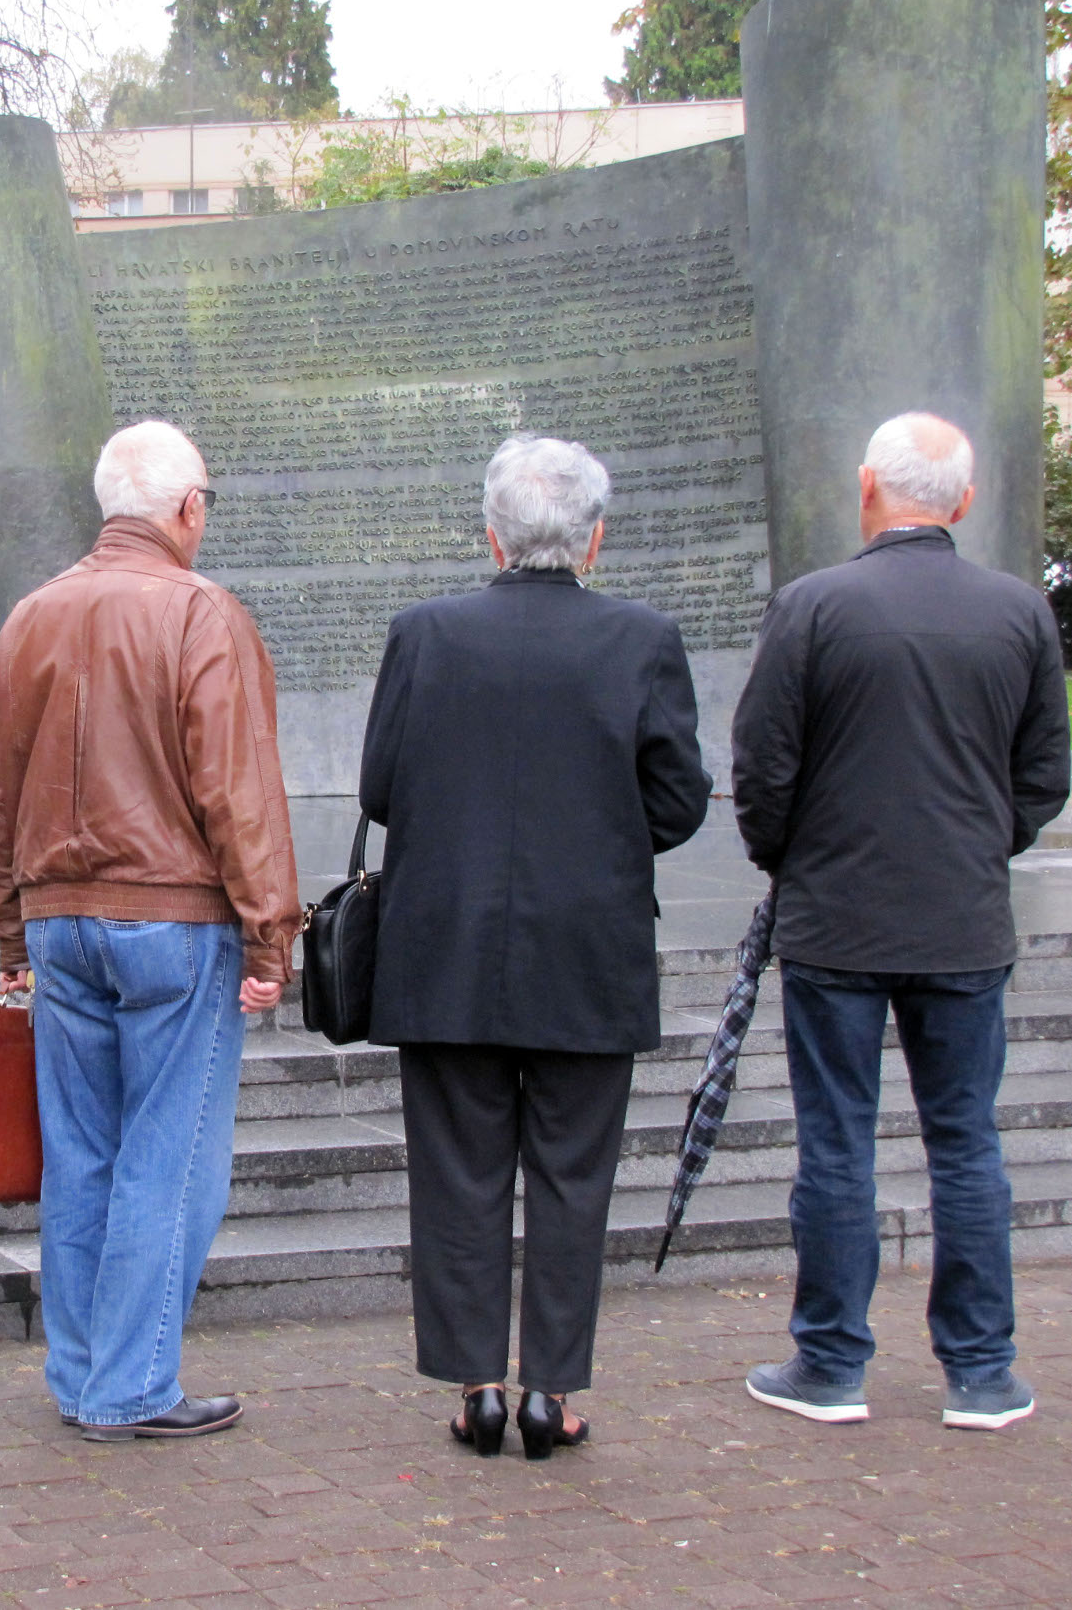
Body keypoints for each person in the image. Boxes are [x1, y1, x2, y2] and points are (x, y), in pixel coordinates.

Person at [359, 435, 710, 1461]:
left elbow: (381, 788)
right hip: (586, 946)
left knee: (458, 1171)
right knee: (571, 1172)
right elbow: (678, 799)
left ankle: (475, 1385)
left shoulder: (423, 634)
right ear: (592, 540)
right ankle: (550, 1391)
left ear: (490, 533)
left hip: (445, 945)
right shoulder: (641, 639)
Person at [732, 411, 1070, 1433]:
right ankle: (980, 1369)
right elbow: (1041, 776)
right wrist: (974, 845)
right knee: (965, 1141)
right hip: (962, 922)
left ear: (865, 485)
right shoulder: (1017, 612)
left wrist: (790, 856)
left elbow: (761, 766)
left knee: (834, 1142)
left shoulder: (811, 607)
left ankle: (830, 1362)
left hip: (836, 919)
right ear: (960, 501)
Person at [0, 419, 301, 1444]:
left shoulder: (31, 615)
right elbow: (236, 791)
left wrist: (8, 929)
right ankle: (129, 1382)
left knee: (82, 1151)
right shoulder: (201, 613)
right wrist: (268, 934)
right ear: (186, 508)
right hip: (172, 920)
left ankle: (82, 1373)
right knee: (170, 1153)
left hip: (58, 919)